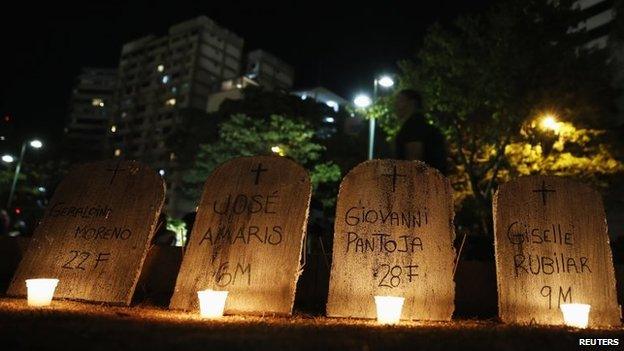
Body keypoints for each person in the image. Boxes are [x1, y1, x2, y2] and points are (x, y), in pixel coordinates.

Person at [394, 89, 448, 174]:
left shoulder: (413, 126)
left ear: (412, 103)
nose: (396, 105)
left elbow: (414, 161)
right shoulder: (425, 127)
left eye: (400, 100)